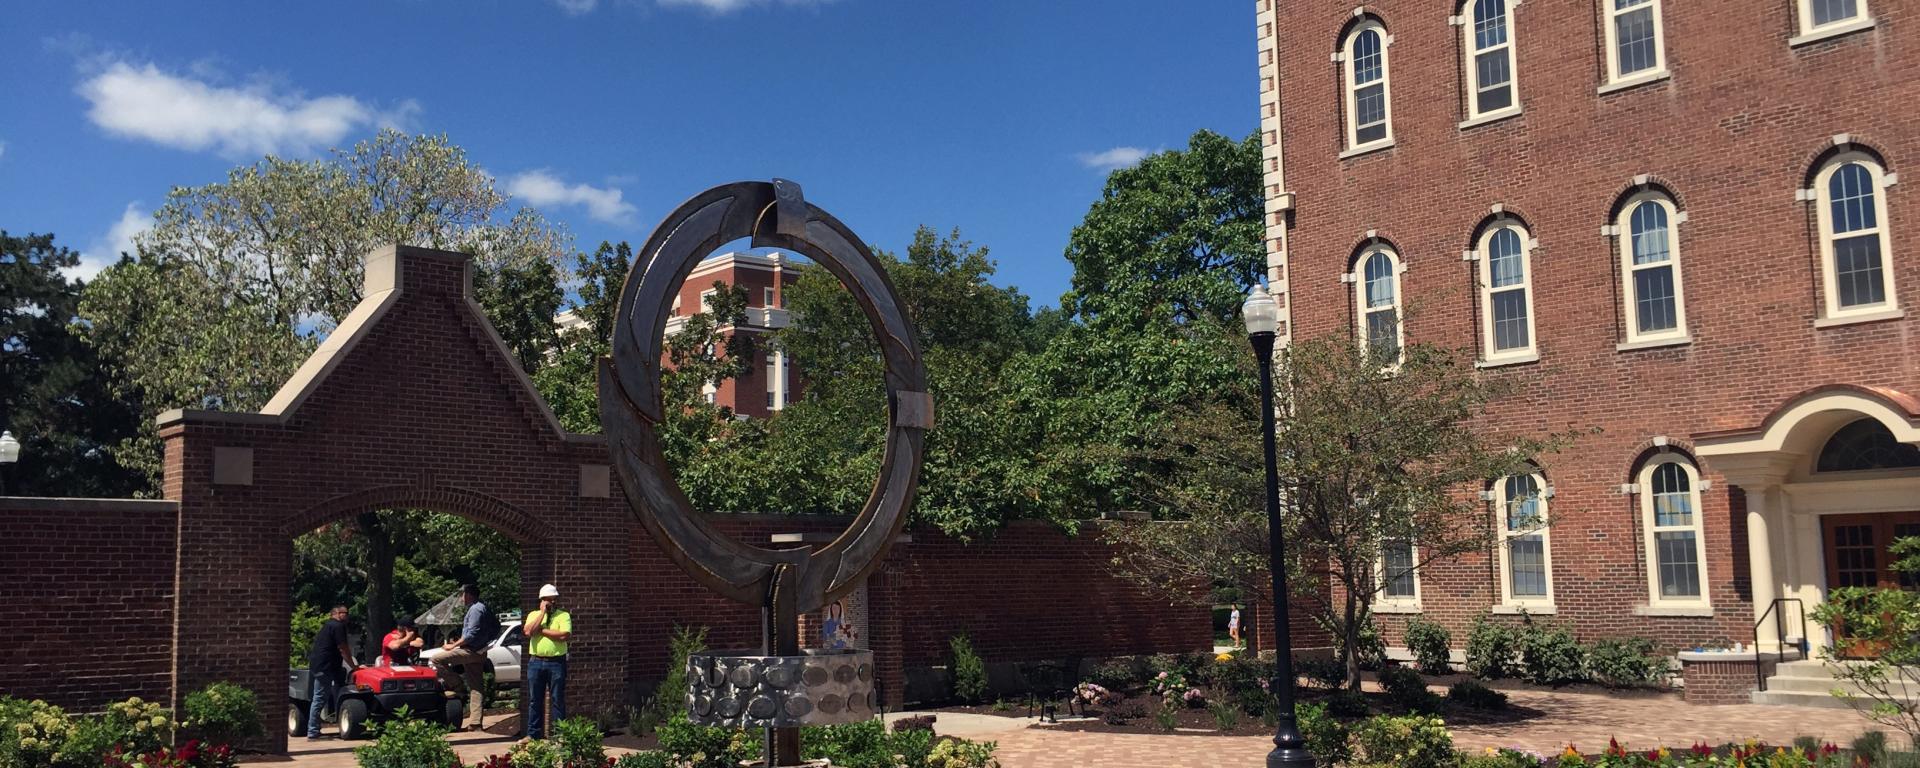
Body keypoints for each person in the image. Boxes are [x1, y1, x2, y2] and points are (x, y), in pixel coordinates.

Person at [434, 583, 495, 731]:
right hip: (478, 651)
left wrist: (452, 646)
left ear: (468, 595)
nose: (461, 598)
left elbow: (471, 634)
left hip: (470, 651)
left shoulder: (475, 609)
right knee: (476, 687)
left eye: (462, 595)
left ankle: (457, 685)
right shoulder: (482, 607)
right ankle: (475, 723)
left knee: (436, 659)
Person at [522, 583, 572, 740]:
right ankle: (533, 734)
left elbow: (564, 635)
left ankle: (559, 735)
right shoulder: (533, 615)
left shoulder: (563, 615)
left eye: (553, 599)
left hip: (556, 662)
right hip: (536, 662)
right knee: (534, 700)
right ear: (541, 600)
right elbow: (528, 631)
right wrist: (542, 613)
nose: (551, 603)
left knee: (557, 699)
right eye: (547, 600)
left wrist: (542, 631)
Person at [305, 604, 358, 740]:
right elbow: (343, 648)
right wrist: (353, 666)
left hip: (325, 666)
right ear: (337, 613)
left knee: (336, 690)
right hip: (325, 667)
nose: (347, 615)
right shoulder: (337, 626)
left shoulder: (328, 625)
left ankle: (335, 721)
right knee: (320, 697)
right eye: (345, 613)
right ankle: (312, 730)